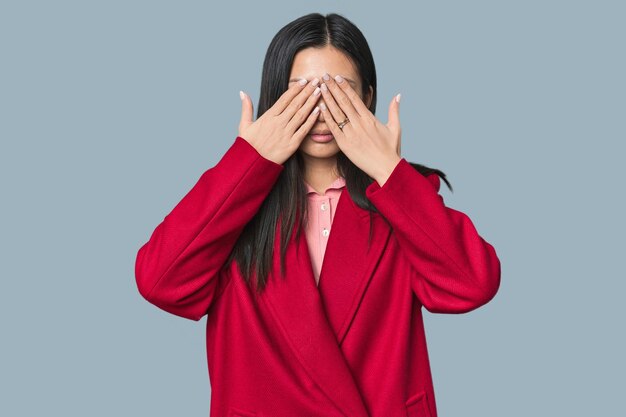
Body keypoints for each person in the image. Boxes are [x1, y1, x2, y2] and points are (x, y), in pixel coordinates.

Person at [135, 12, 501, 417]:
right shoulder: (234, 207)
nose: (321, 110)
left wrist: (388, 170)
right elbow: (160, 281)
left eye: (339, 91)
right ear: (275, 99)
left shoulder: (403, 199)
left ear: (367, 99)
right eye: (302, 92)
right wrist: (247, 164)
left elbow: (473, 284)